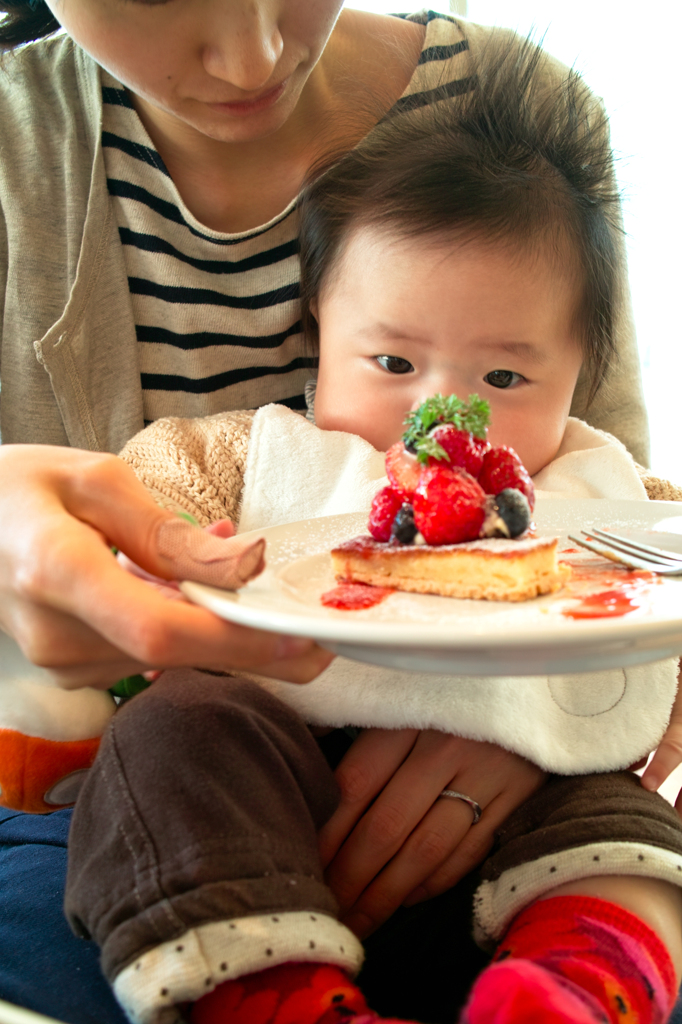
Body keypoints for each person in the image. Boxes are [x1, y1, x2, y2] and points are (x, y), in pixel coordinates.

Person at [0, 1, 666, 1021]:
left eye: (502, 374)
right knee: (172, 740)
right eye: (391, 362)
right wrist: (140, 546)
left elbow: (660, 553)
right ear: (316, 333)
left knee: (625, 830)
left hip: (517, 806)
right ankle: (273, 991)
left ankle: (574, 984)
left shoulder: (586, 468)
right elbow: (157, 488)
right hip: (252, 771)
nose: (441, 408)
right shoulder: (276, 447)